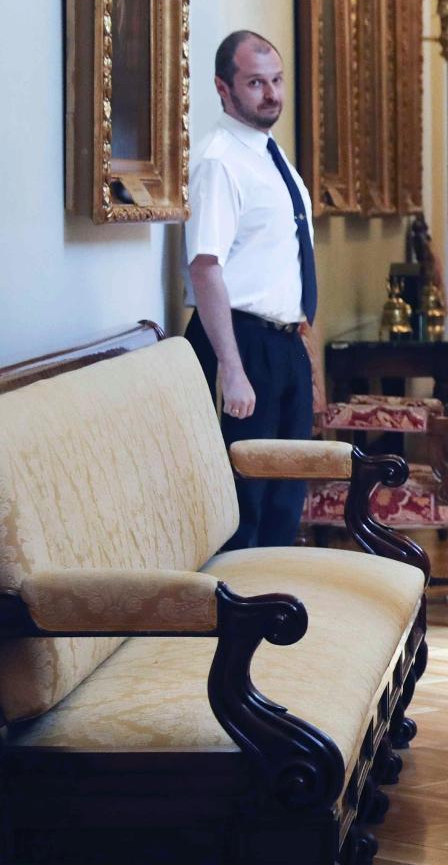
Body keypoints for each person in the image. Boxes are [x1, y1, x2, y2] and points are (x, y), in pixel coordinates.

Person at [183, 30, 317, 550]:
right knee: (247, 498)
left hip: (283, 343)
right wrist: (232, 370)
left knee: (286, 494)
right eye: (255, 82)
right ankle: (241, 617)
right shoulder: (220, 159)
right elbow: (205, 266)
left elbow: (285, 258)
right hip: (241, 342)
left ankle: (275, 610)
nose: (271, 94)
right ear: (223, 87)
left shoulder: (269, 153)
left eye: (277, 80)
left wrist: (304, 351)